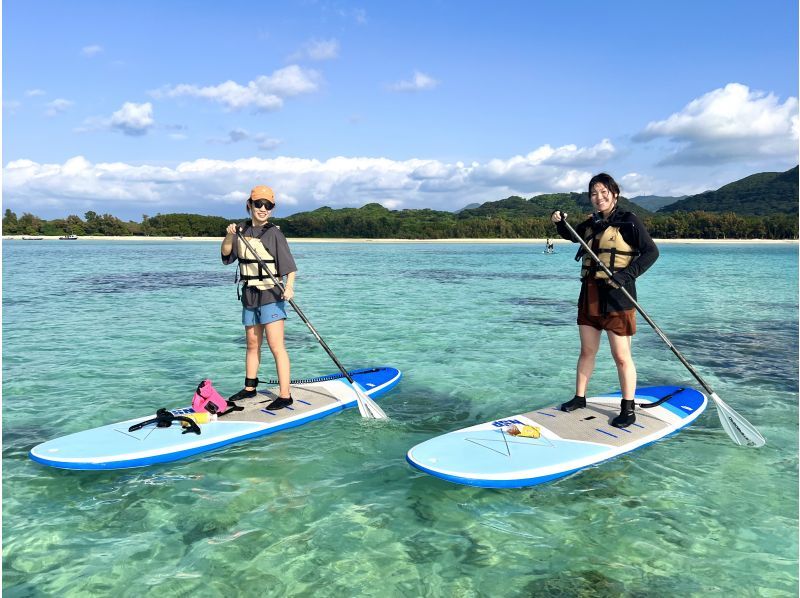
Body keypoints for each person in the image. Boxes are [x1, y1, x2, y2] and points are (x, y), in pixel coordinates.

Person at [551, 173, 659, 428]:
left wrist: (627, 274)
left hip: (618, 297)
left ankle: (628, 407)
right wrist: (559, 221)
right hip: (589, 294)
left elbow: (652, 252)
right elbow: (571, 236)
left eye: (603, 192)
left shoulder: (629, 221)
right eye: (593, 193)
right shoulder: (591, 223)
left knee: (621, 355)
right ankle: (580, 398)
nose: (598, 198)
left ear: (615, 194)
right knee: (587, 351)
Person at [221, 185, 297, 410]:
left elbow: (289, 267)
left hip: (271, 294)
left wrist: (290, 287)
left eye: (268, 205)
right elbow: (226, 254)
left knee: (276, 346)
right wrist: (229, 234)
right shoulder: (240, 231)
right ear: (249, 205)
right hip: (249, 295)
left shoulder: (274, 233)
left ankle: (285, 394)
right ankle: (250, 388)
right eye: (258, 204)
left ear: (272, 209)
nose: (263, 208)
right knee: (252, 344)